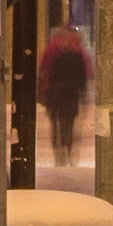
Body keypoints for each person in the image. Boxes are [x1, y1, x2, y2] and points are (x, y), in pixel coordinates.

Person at [35, 25, 92, 171]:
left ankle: (60, 151)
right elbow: (83, 75)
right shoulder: (77, 53)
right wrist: (83, 92)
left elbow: (45, 71)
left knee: (57, 123)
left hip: (56, 94)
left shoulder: (54, 50)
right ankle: (66, 148)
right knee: (68, 124)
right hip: (69, 94)